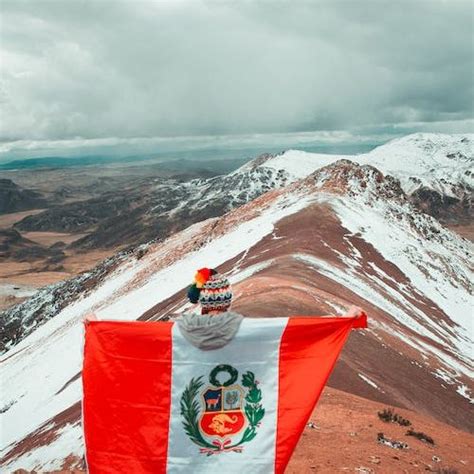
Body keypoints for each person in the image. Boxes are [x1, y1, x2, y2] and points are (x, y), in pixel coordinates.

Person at [83, 267, 364, 349]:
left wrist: (98, 327)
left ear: (203, 303)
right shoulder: (248, 329)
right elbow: (294, 331)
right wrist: (341, 322)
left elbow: (137, 340)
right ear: (228, 301)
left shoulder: (178, 331)